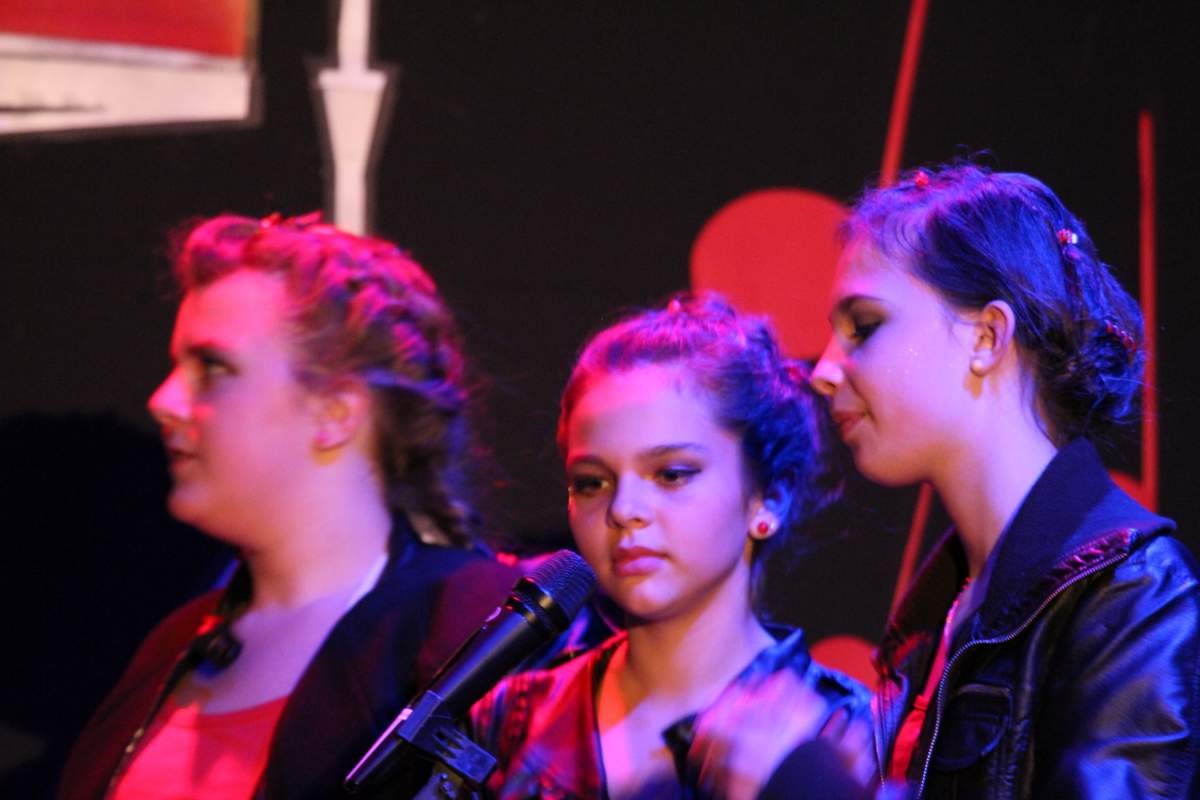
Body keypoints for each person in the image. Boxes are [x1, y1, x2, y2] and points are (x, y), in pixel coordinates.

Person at [690, 163, 1200, 799]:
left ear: (986, 336)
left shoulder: (1136, 596)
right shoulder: (939, 611)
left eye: (864, 327)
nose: (824, 369)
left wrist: (810, 784)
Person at [58, 213, 520, 799]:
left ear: (336, 412)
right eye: (178, 367)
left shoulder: (474, 632)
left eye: (214, 368)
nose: (163, 400)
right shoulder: (172, 644)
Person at [469, 293, 873, 799]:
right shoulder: (512, 721)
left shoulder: (842, 729)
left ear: (767, 497)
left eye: (671, 474)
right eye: (592, 483)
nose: (624, 509)